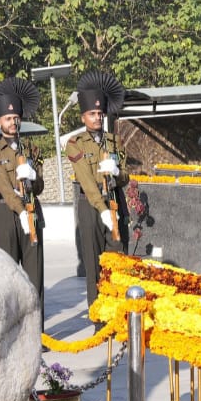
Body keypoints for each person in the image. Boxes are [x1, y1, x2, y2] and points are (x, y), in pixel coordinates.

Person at [65, 71, 128, 310]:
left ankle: (116, 312)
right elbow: (86, 181)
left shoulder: (114, 141)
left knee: (117, 259)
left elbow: (126, 176)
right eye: (92, 114)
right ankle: (98, 316)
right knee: (94, 264)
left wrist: (116, 171)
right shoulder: (75, 143)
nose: (97, 117)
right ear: (83, 117)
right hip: (91, 206)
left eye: (100, 113)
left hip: (114, 200)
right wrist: (102, 210)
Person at [0, 77, 45, 306]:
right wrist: (20, 212)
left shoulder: (31, 149)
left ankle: (37, 325)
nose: (13, 122)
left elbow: (40, 187)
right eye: (8, 118)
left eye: (16, 118)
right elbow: (4, 186)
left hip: (32, 208)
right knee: (8, 275)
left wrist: (33, 176)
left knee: (34, 275)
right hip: (6, 213)